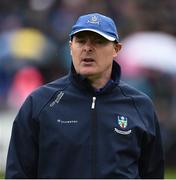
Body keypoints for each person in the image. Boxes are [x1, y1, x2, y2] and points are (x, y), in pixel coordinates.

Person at [5, 13, 164, 179]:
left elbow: (153, 174)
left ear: (116, 49)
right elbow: (18, 173)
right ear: (70, 47)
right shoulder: (39, 102)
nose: (87, 48)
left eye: (98, 41)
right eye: (81, 41)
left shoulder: (140, 105)